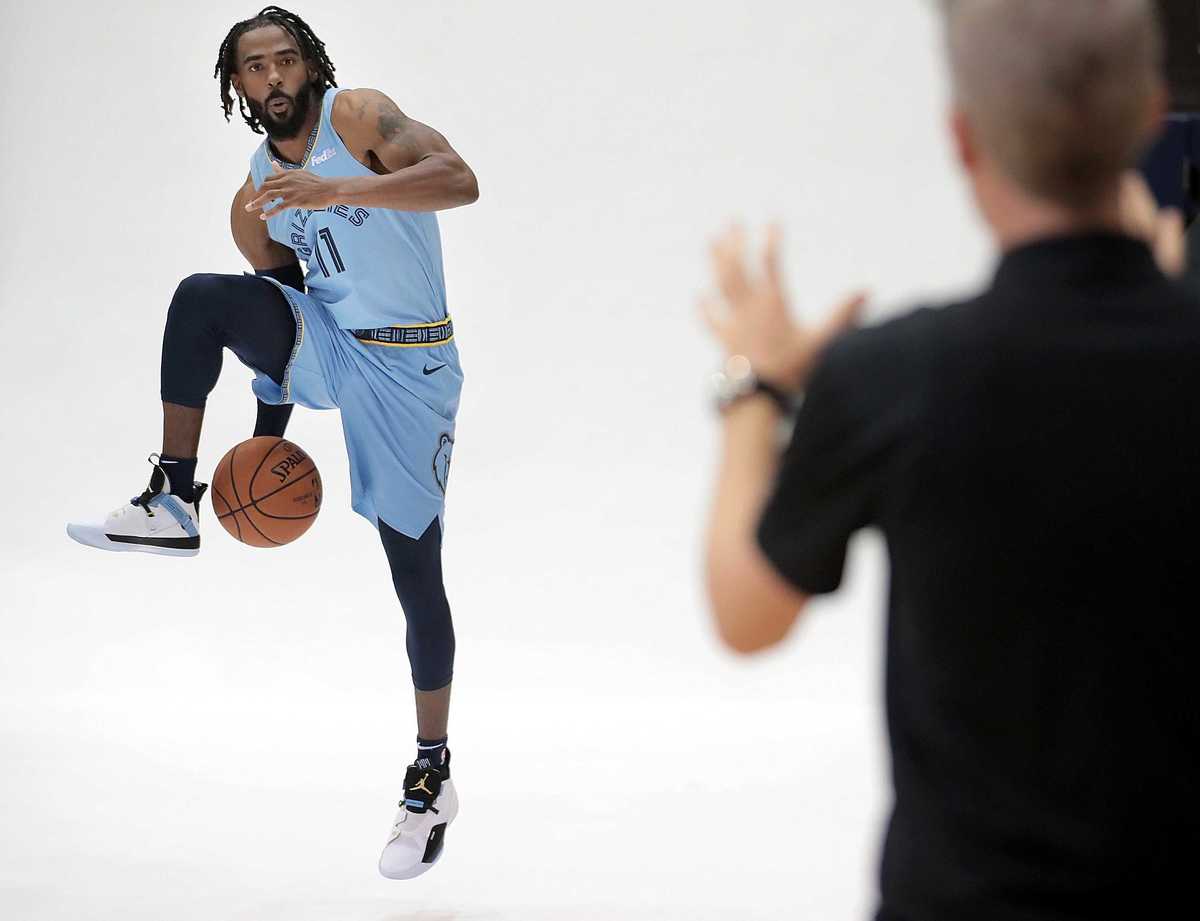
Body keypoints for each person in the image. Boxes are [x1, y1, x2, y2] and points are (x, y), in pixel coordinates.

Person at [701, 1, 1198, 918]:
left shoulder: (893, 376)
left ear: (963, 140)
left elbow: (746, 612)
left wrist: (757, 389)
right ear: (1149, 113)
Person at [66, 5, 478, 880]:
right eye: (254, 67)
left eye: (286, 59)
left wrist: (344, 190)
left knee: (415, 571)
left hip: (411, 368)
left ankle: (431, 773)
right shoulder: (255, 199)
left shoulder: (359, 118)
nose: (273, 77)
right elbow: (279, 332)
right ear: (237, 87)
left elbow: (459, 178)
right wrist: (261, 451)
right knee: (202, 296)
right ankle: (174, 496)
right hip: (331, 349)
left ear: (311, 66)